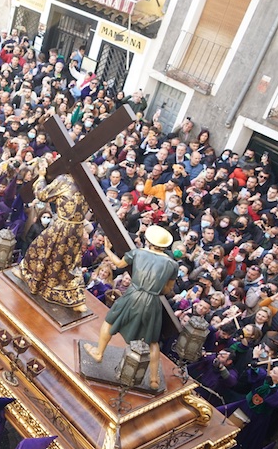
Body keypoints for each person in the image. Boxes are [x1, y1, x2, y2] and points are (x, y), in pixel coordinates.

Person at [84, 225, 179, 389]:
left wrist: (107, 250)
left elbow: (119, 264)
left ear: (148, 241)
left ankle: (99, 353)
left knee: (109, 321)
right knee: (152, 341)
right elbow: (167, 290)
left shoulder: (137, 253)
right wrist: (154, 288)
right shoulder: (173, 265)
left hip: (133, 295)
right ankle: (154, 379)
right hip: (153, 301)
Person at [21, 164, 90, 312]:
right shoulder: (88, 183)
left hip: (62, 227)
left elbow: (42, 195)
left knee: (44, 251)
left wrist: (41, 177)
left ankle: (33, 278)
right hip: (77, 229)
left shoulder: (65, 180)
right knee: (67, 262)